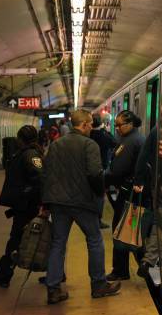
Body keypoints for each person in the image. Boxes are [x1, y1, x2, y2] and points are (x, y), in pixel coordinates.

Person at [42, 109, 121, 304]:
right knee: (94, 240)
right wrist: (99, 192)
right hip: (82, 202)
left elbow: (46, 174)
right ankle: (98, 285)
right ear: (84, 124)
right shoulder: (89, 144)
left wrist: (46, 201)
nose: (91, 128)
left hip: (57, 202)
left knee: (58, 244)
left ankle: (53, 289)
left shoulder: (56, 144)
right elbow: (95, 174)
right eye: (90, 125)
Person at [0, 126, 44, 288]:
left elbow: (38, 180)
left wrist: (24, 195)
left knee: (17, 241)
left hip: (27, 207)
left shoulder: (30, 155)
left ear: (21, 138)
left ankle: (2, 275)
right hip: (25, 206)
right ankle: (56, 274)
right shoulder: (27, 153)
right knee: (26, 240)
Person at [105, 110, 145, 281]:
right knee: (131, 228)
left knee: (121, 229)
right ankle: (143, 264)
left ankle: (122, 269)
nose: (117, 128)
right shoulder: (133, 138)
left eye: (119, 125)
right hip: (132, 193)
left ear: (130, 124)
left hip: (128, 194)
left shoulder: (131, 141)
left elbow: (118, 169)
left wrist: (105, 177)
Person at [133, 125, 159, 278]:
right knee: (158, 220)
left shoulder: (157, 128)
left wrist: (139, 180)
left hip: (157, 183)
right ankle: (149, 258)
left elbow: (144, 155)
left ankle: (145, 254)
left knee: (155, 218)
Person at [90, 113, 117, 229]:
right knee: (100, 195)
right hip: (102, 168)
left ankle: (92, 216)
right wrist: (106, 131)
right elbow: (114, 142)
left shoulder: (89, 134)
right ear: (101, 123)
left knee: (93, 194)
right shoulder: (103, 135)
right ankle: (97, 220)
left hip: (90, 168)